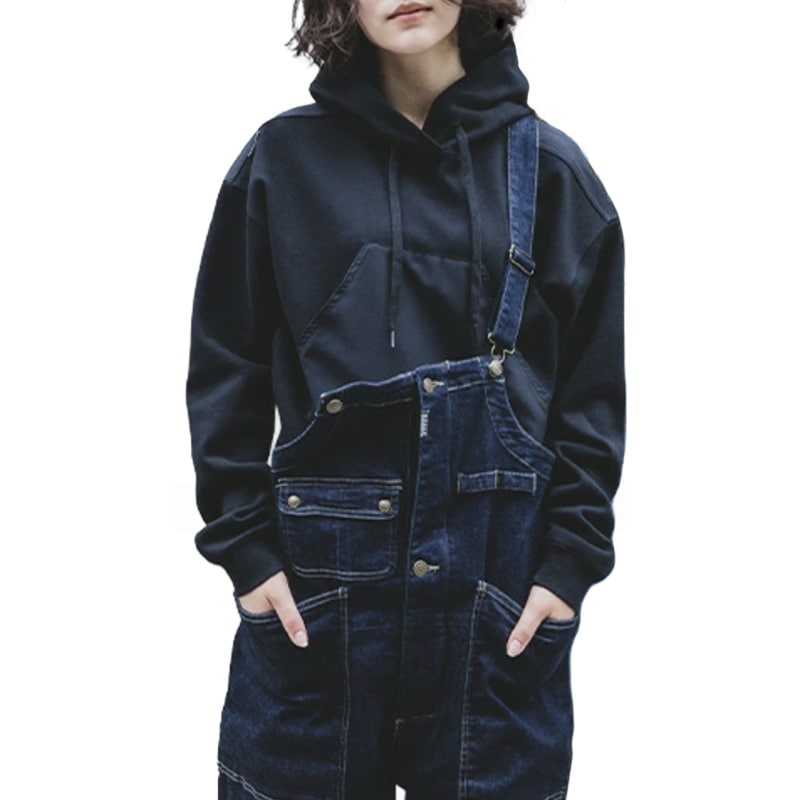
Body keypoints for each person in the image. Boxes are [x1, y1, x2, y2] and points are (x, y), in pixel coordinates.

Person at [185, 1, 626, 797]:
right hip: (317, 613)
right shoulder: (282, 163)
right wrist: (246, 554)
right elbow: (226, 365)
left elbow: (590, 399)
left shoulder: (554, 174)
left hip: (495, 615)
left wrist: (568, 571)